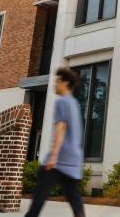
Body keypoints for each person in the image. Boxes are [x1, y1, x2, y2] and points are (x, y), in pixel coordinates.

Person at [24, 67, 86, 217]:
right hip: (73, 159)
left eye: (57, 81)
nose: (54, 85)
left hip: (59, 159)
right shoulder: (73, 103)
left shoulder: (62, 102)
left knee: (39, 197)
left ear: (65, 82)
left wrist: (53, 156)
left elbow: (61, 128)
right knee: (74, 198)